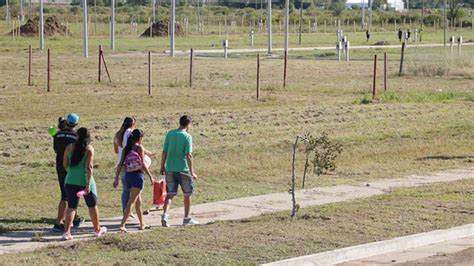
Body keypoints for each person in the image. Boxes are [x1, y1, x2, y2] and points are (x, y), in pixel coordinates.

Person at [62, 128, 107, 240]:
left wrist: (72, 173)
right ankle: (97, 229)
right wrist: (88, 184)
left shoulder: (69, 147)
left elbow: (65, 165)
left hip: (70, 179)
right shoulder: (89, 149)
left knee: (71, 207)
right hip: (84, 180)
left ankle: (67, 232)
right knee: (92, 205)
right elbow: (89, 167)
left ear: (77, 136)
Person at [114, 129, 155, 232]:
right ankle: (122, 224)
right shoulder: (139, 148)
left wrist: (116, 178)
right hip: (137, 176)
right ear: (140, 138)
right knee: (132, 202)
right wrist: (150, 176)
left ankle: (142, 223)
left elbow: (120, 165)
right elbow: (143, 164)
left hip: (128, 176)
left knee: (138, 201)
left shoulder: (126, 148)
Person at [160, 115, 198, 227]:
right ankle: (186, 218)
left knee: (170, 194)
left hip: (170, 168)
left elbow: (164, 151)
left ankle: (165, 215)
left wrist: (162, 166)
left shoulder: (170, 133)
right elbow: (189, 155)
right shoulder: (187, 136)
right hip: (183, 169)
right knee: (187, 194)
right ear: (188, 125)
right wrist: (192, 171)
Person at [52, 113, 83, 231]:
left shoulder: (57, 134)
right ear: (76, 124)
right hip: (72, 167)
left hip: (60, 166)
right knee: (67, 195)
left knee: (67, 193)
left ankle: (74, 218)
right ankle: (58, 222)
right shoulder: (76, 136)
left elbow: (55, 149)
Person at [113, 117, 136, 215]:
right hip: (130, 163)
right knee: (134, 190)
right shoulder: (131, 133)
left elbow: (116, 151)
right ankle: (129, 212)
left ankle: (125, 211)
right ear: (133, 124)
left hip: (120, 164)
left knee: (125, 190)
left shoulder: (118, 134)